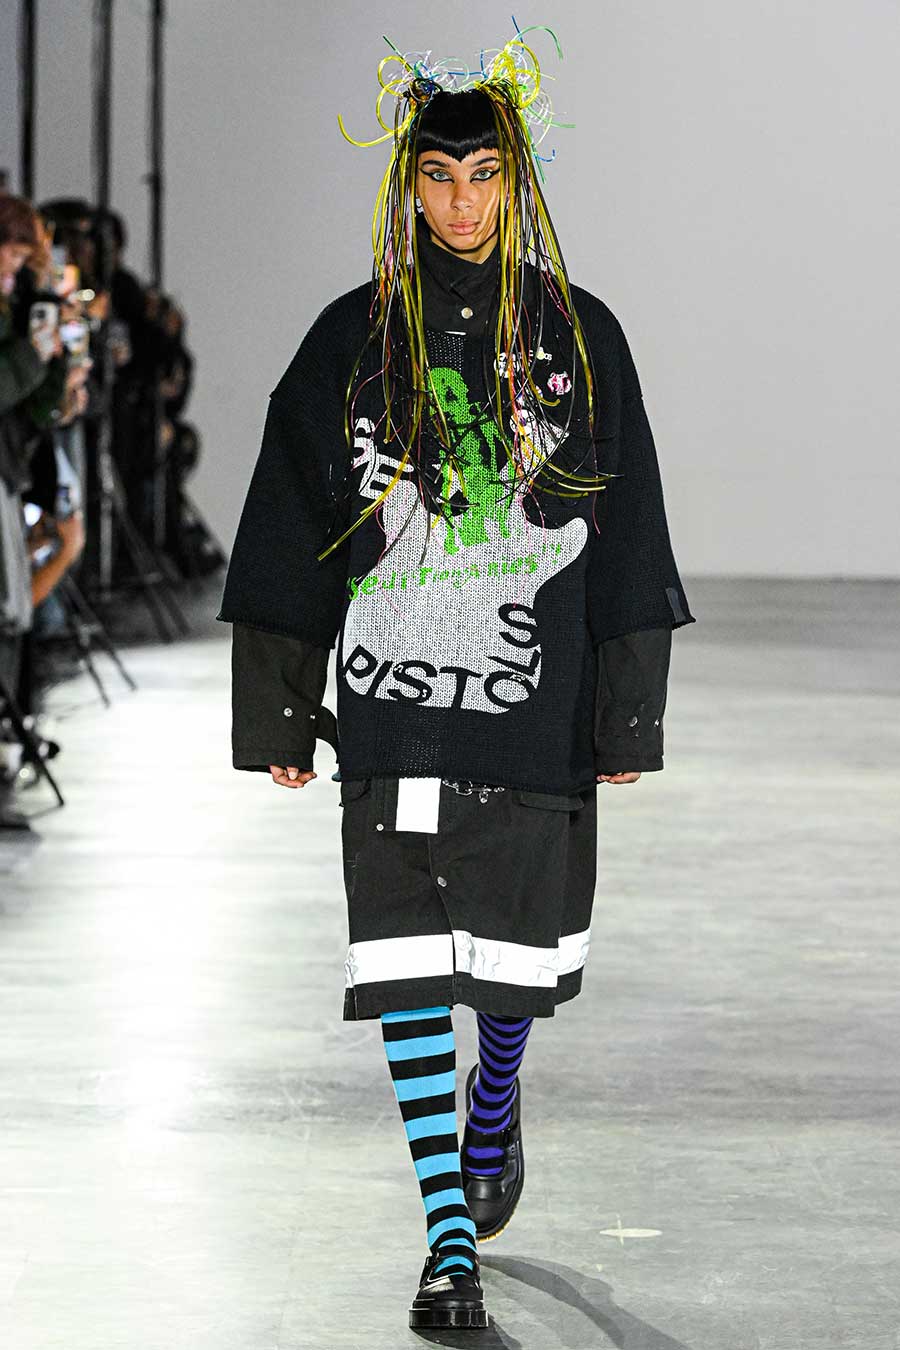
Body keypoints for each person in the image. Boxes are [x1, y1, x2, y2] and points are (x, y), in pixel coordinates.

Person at [217, 28, 695, 1332]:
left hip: (531, 707)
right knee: (408, 961)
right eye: (439, 176)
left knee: (510, 972)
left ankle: (497, 1097)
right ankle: (447, 1245)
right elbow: (290, 521)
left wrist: (627, 710)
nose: (464, 202)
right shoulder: (351, 341)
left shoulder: (579, 337)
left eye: (486, 175)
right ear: (409, 185)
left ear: (515, 179)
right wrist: (280, 708)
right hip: (391, 710)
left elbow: (627, 523)